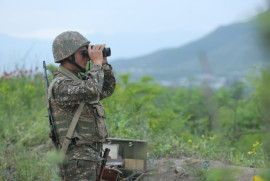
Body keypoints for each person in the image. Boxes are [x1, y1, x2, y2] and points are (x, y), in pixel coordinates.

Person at [48, 31, 116, 180]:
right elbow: (92, 90)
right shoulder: (61, 85)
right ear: (67, 55)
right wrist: (96, 64)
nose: (88, 57)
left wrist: (103, 64)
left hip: (89, 157)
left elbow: (106, 89)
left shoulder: (77, 82)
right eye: (83, 53)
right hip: (77, 161)